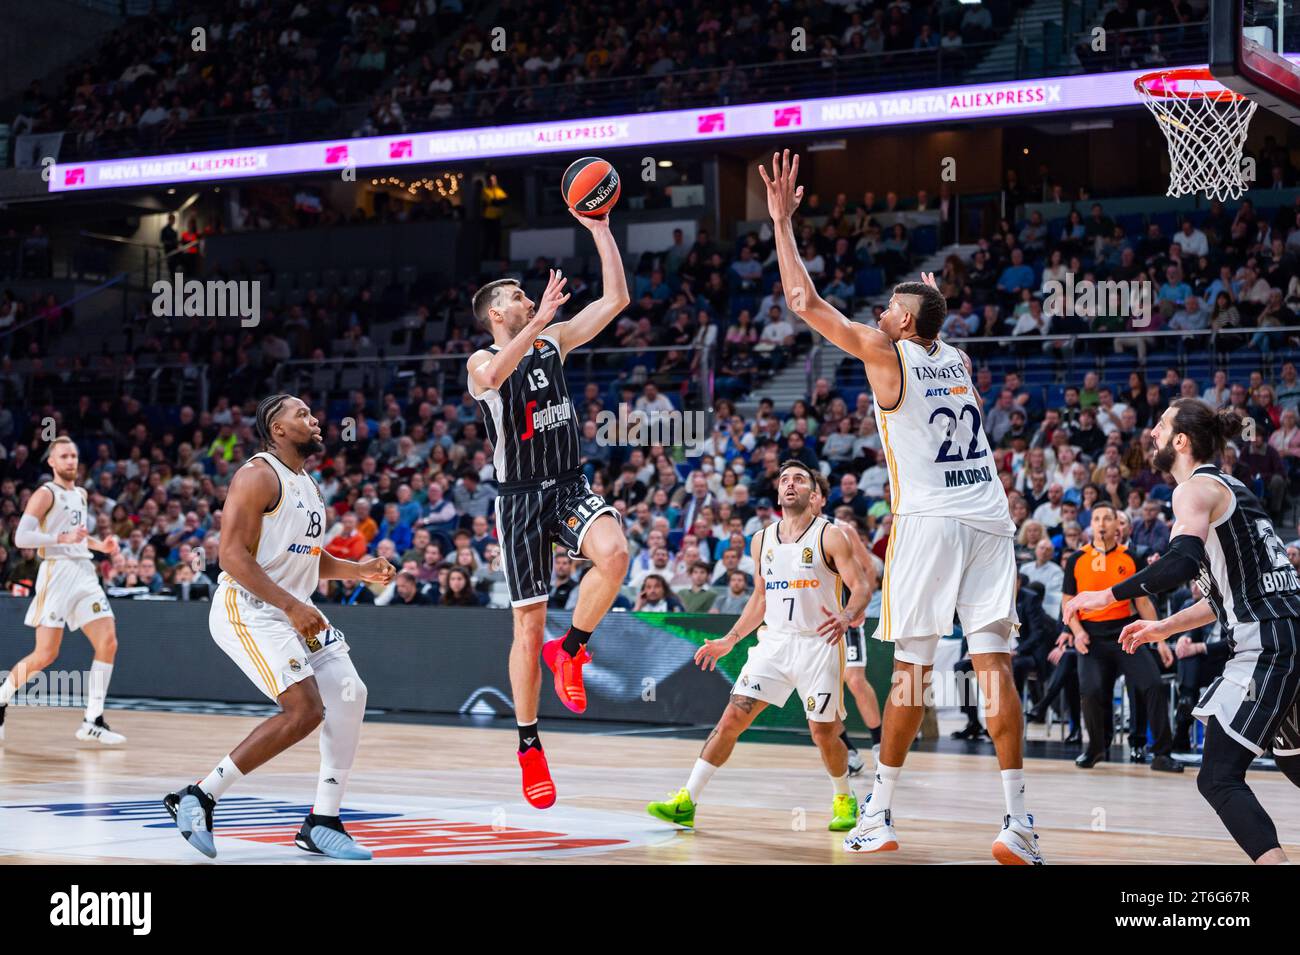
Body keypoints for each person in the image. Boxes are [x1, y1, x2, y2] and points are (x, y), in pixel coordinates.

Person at [760, 150, 1042, 864]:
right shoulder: (959, 359)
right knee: (994, 665)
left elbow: (803, 304)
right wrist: (923, 298)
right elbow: (929, 316)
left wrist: (782, 225)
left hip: (932, 521)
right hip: (991, 517)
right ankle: (1017, 822)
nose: (879, 313)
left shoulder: (891, 355)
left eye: (891, 308)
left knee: (912, 669)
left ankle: (879, 812)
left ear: (907, 323)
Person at [1066, 399, 1300, 864]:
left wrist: (1106, 596)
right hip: (1288, 633)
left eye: (1160, 425)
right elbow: (1221, 599)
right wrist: (1162, 627)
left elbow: (1180, 562)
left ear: (1180, 441)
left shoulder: (1192, 490)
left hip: (1269, 644)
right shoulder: (1233, 490)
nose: (1151, 433)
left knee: (1217, 776)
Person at [163, 395, 395, 860]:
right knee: (304, 711)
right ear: (277, 428)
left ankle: (322, 821)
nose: (314, 420)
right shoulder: (256, 474)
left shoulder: (307, 484)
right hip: (248, 608)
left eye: (313, 413)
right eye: (302, 415)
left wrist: (357, 571)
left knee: (350, 692)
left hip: (292, 607)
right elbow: (230, 555)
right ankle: (199, 796)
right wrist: (291, 606)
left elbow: (306, 558)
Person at [466, 208, 630, 808]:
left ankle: (573, 649)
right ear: (495, 314)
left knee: (614, 555)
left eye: (524, 294)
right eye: (514, 295)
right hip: (518, 501)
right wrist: (536, 323)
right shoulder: (480, 360)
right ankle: (530, 743)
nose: (525, 296)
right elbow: (492, 382)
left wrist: (601, 229)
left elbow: (615, 298)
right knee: (527, 624)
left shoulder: (552, 341)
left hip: (566, 482)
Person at [644, 461, 872, 832]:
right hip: (775, 643)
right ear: (778, 492)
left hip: (818, 644)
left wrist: (846, 616)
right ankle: (687, 800)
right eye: (784, 480)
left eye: (799, 479)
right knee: (731, 719)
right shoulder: (761, 539)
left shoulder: (830, 536)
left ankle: (844, 797)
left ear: (814, 494)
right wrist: (730, 640)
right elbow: (760, 599)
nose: (790, 484)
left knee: (823, 732)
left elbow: (861, 586)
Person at [0, 437, 124, 745]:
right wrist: (61, 537)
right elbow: (22, 538)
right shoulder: (45, 493)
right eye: (64, 456)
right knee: (45, 654)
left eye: (74, 455)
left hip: (84, 572)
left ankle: (93, 720)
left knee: (108, 642)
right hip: (56, 573)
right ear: (52, 462)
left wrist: (100, 545)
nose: (71, 460)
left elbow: (77, 537)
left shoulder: (80, 494)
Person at [1060, 503, 1182, 771]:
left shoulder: (1132, 557)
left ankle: (1162, 754)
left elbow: (1143, 602)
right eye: (1096, 518)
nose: (1101, 523)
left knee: (1153, 684)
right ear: (1090, 525)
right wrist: (1078, 633)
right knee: (1091, 692)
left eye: (1107, 518)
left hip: (1126, 632)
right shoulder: (1076, 559)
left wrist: (1159, 639)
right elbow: (1068, 604)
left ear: (1119, 526)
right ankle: (1095, 749)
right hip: (1091, 635)